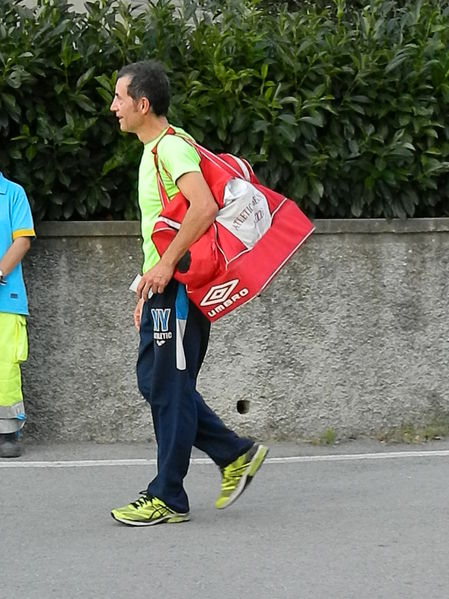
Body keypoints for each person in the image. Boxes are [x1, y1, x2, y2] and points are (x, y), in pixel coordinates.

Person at [109, 60, 268, 526]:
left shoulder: (172, 149)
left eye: (120, 98)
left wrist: (162, 270)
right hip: (163, 289)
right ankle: (234, 453)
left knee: (169, 387)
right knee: (157, 384)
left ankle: (168, 496)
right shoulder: (154, 150)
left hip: (178, 289)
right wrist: (145, 289)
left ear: (143, 103)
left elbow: (204, 207)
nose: (113, 106)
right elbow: (163, 229)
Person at [0, 172, 35, 458]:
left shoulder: (12, 193)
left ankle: (6, 432)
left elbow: (22, 240)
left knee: (5, 367)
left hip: (6, 300)